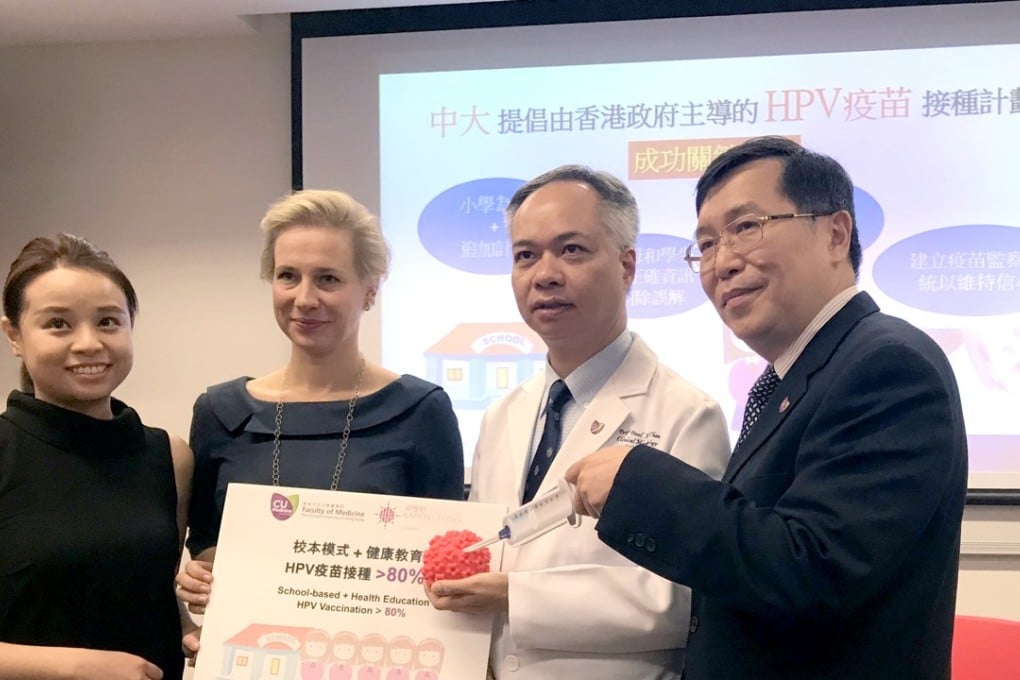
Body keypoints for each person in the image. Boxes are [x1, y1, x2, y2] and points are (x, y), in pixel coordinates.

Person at [566, 136, 968, 679]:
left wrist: (634, 482)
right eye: (705, 244)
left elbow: (814, 568)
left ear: (835, 234)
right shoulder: (799, 374)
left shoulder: (886, 365)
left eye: (746, 227)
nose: (722, 262)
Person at [425, 166, 731, 679]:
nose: (544, 274)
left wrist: (516, 596)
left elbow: (686, 600)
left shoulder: (686, 413)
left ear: (627, 266)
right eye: (526, 255)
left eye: (572, 250)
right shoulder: (503, 415)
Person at [176, 190, 465, 627]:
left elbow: (445, 564)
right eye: (287, 276)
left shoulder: (420, 410)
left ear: (370, 290)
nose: (304, 298)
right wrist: (202, 578)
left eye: (328, 278)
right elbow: (208, 542)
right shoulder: (221, 411)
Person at [0, 234, 194, 680]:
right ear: (14, 335)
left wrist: (193, 626)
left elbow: (148, 589)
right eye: (58, 324)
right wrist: (76, 665)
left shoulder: (169, 457)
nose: (88, 343)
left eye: (108, 322)